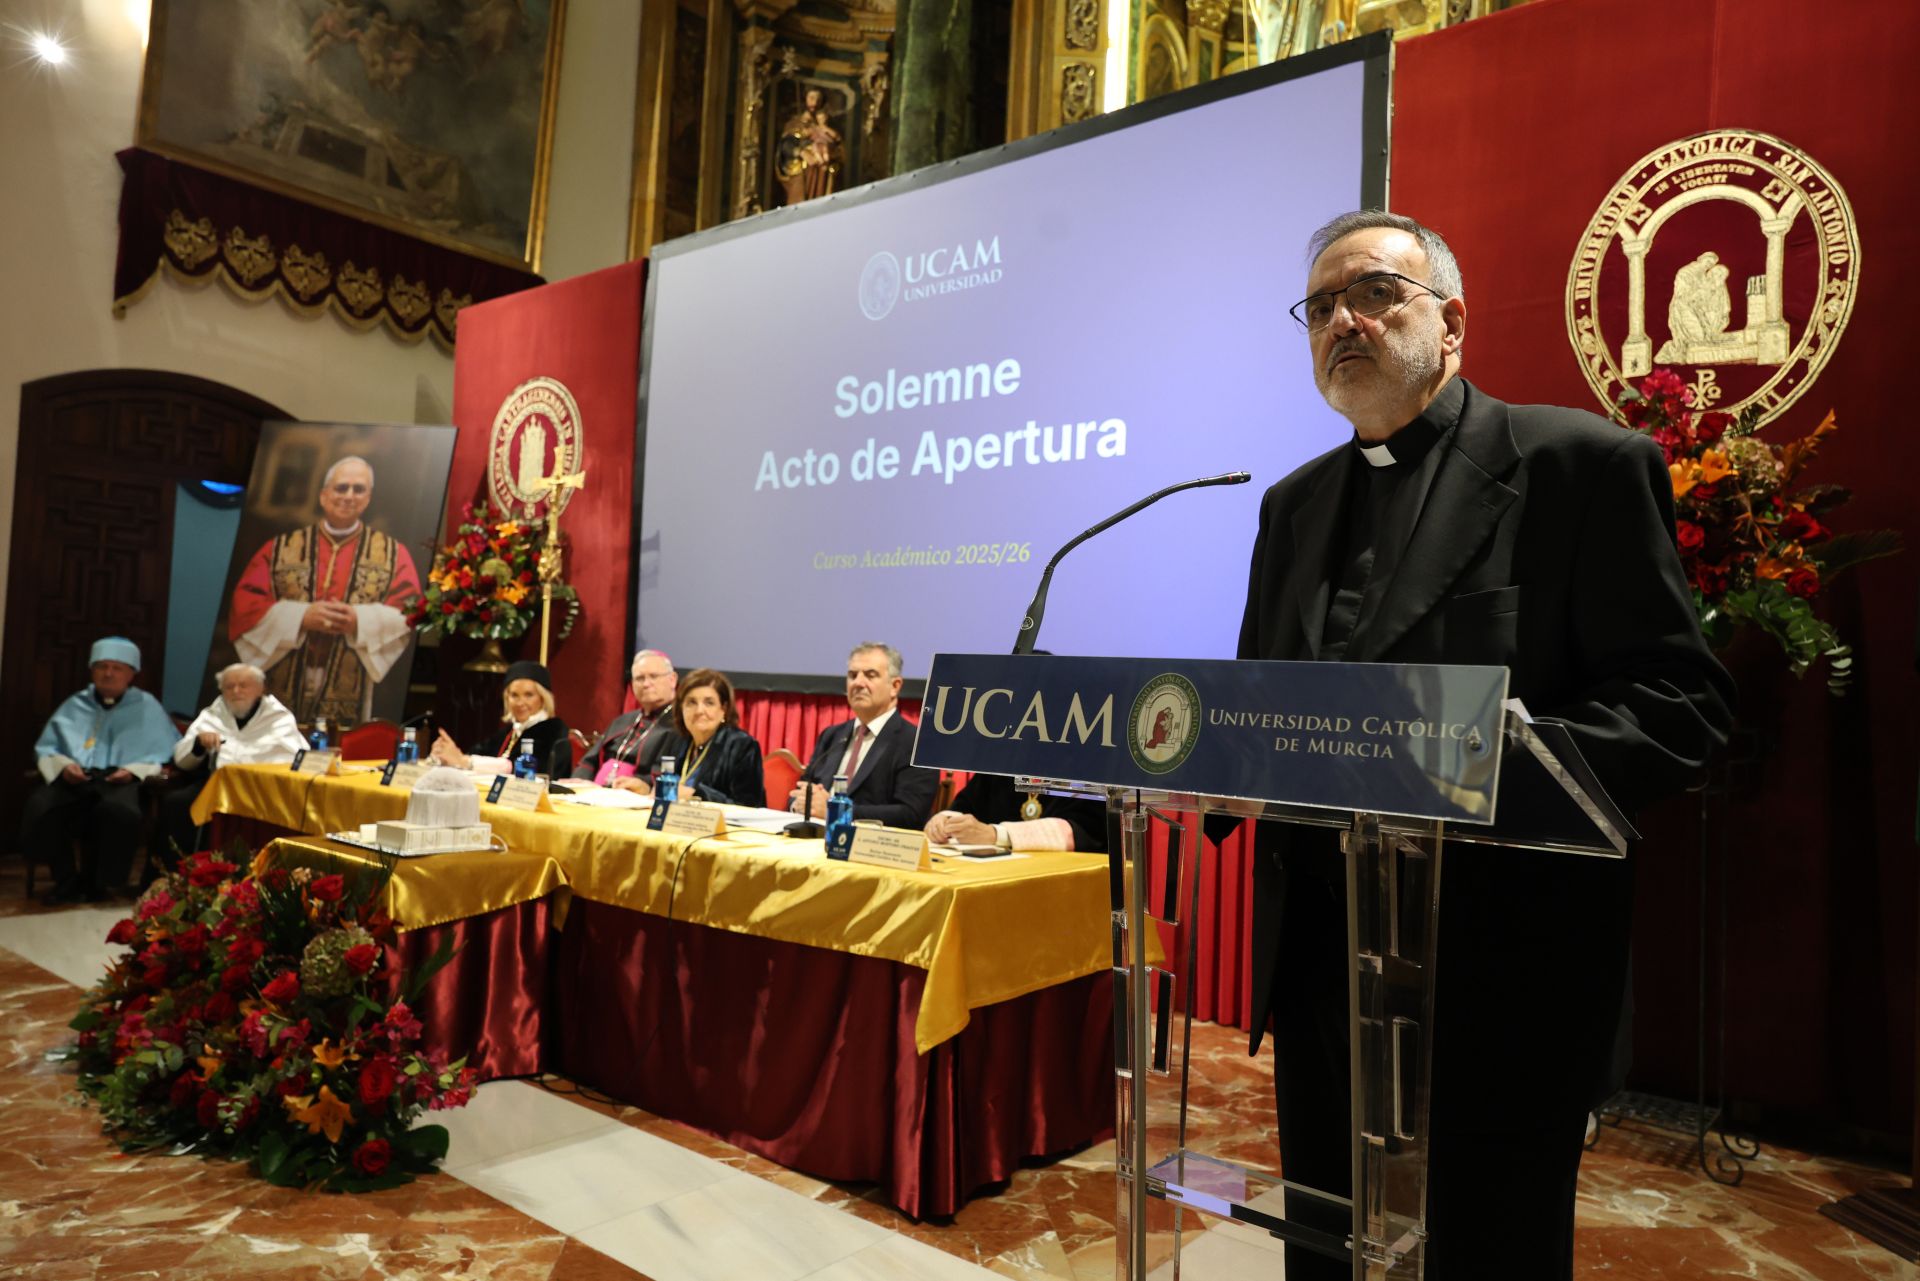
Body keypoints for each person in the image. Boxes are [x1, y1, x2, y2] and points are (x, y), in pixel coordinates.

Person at [1237, 210, 1734, 1280]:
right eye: (1320, 308)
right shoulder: (1290, 506)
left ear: (1451, 321)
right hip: (1324, 965)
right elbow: (1261, 706)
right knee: (1325, 1250)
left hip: (1501, 977)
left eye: (1374, 293)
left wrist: (1488, 760)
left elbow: (1679, 705)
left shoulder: (1580, 467)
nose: (1343, 322)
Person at [228, 455, 421, 727]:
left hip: (351, 684)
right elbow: (244, 606)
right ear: (323, 495)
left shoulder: (393, 554)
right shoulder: (281, 548)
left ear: (368, 499)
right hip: (284, 677)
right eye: (341, 488)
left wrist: (359, 621)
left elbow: (410, 612)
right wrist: (300, 618)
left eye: (358, 489)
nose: (349, 496)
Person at [21, 637, 179, 904]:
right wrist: (64, 766)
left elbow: (164, 751)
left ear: (131, 674)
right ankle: (66, 881)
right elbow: (47, 748)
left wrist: (133, 771)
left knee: (120, 811)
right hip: (75, 777)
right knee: (41, 808)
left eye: (117, 668)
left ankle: (101, 884)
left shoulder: (146, 705)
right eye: (102, 666)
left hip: (121, 779)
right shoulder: (75, 704)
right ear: (92, 671)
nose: (108, 673)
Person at [162, 662, 306, 859]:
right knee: (177, 803)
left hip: (264, 788)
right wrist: (199, 744)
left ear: (260, 689)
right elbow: (182, 760)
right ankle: (186, 866)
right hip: (218, 785)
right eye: (229, 687)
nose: (236, 691)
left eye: (243, 685)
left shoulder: (278, 717)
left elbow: (298, 758)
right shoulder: (212, 715)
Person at [789, 642, 938, 829]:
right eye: (852, 675)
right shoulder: (832, 735)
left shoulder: (917, 743)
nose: (858, 683)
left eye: (870, 675)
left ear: (895, 686)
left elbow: (911, 814)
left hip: (873, 843)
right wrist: (800, 804)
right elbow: (800, 792)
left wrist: (836, 811)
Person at [628, 669, 766, 807]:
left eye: (709, 703)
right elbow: (671, 786)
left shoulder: (742, 746)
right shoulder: (679, 741)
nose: (699, 711)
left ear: (723, 709)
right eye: (691, 703)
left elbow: (749, 806)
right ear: (681, 709)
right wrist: (646, 789)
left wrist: (695, 794)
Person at [429, 660, 572, 777]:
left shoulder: (554, 730)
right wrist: (447, 754)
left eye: (528, 695)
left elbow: (525, 769)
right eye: (514, 695)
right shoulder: (510, 731)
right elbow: (474, 754)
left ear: (543, 698)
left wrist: (465, 761)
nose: (520, 703)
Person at [573, 649, 678, 785]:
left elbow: (665, 775)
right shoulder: (622, 721)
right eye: (640, 678)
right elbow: (588, 762)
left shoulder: (679, 724)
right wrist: (577, 785)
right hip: (597, 791)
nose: (646, 684)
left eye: (653, 676)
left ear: (672, 679)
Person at [925, 775, 1106, 853]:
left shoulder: (1089, 762)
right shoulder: (1005, 753)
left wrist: (997, 835)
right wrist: (946, 821)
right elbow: (967, 804)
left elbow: (1087, 829)